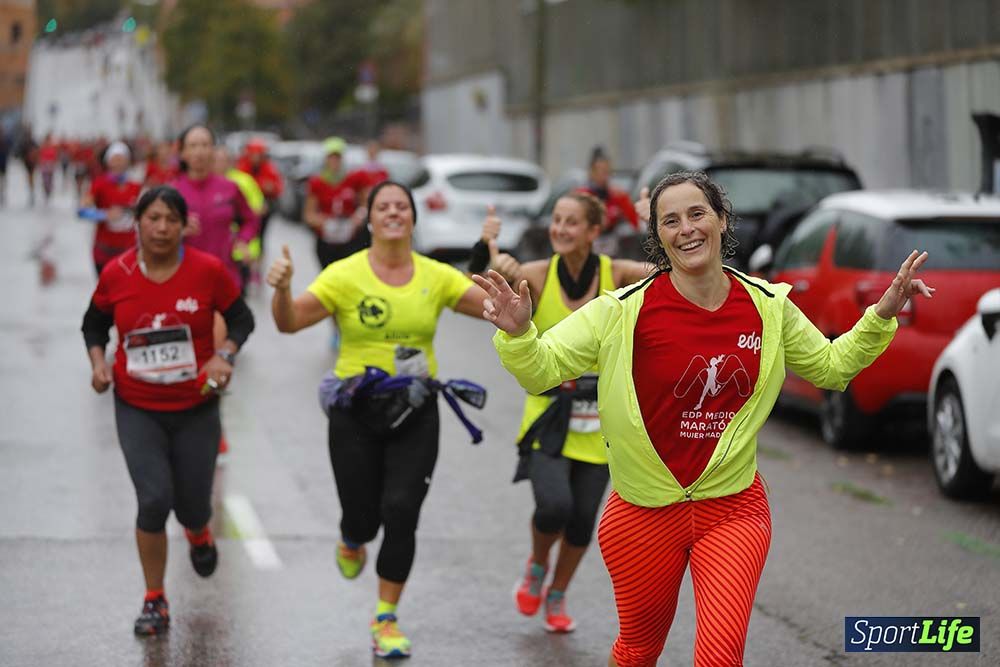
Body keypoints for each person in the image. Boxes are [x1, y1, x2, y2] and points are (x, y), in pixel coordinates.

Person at [473, 171, 935, 667]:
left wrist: (882, 314)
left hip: (733, 512)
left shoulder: (768, 306)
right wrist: (521, 334)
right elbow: (543, 369)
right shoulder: (621, 312)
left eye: (697, 214)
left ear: (721, 220)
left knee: (720, 657)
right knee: (637, 651)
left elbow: (831, 367)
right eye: (670, 220)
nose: (686, 229)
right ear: (658, 237)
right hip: (642, 515)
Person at [267, 180, 489, 659]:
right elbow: (288, 322)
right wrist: (283, 290)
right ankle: (351, 537)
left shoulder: (435, 275)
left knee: (402, 511)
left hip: (416, 407)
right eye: (383, 207)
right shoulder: (344, 274)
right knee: (364, 519)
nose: (393, 213)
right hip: (355, 411)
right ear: (369, 220)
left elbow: (499, 311)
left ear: (412, 219)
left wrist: (504, 276)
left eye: (401, 207)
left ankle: (385, 617)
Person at [469, 192, 652, 634]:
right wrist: (489, 254)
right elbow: (481, 289)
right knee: (554, 506)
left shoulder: (616, 274)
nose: (560, 229)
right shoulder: (535, 274)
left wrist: (652, 226)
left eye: (572, 223)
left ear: (594, 231)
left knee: (582, 522)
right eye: (556, 221)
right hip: (549, 413)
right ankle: (536, 564)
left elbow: (669, 276)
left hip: (600, 421)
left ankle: (558, 591)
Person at [80, 186, 255, 637]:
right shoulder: (117, 274)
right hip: (138, 406)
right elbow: (94, 323)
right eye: (152, 218)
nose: (161, 228)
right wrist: (99, 363)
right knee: (154, 499)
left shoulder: (208, 271)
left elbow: (241, 318)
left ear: (184, 226)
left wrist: (225, 355)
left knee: (194, 506)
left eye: (171, 220)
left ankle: (198, 531)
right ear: (138, 222)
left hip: (196, 406)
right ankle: (154, 598)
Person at [171, 125, 259, 291]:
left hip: (226, 276)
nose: (200, 151)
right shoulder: (172, 191)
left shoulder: (229, 188)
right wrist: (177, 230)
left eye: (205, 145)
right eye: (193, 146)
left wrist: (243, 240)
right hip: (185, 279)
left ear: (213, 150)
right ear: (183, 153)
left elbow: (251, 219)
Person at [303, 136, 369, 270]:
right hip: (327, 241)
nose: (334, 161)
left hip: (351, 239)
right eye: (331, 157)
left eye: (337, 157)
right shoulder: (317, 182)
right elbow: (309, 214)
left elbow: (366, 203)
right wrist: (325, 223)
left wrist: (357, 218)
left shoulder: (355, 178)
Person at [80, 141, 143, 274]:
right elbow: (82, 211)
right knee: (106, 291)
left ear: (128, 161)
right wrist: (104, 215)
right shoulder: (99, 184)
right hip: (104, 251)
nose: (118, 163)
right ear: (108, 161)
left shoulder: (136, 186)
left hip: (129, 251)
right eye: (115, 159)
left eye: (122, 159)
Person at [215, 145, 265, 290]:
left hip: (239, 251)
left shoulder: (242, 182)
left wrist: (237, 231)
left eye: (223, 160)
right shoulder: (204, 183)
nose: (219, 164)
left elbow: (256, 211)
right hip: (216, 252)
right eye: (216, 160)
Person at [236, 138, 283, 254]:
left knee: (260, 236)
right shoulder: (242, 167)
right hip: (244, 208)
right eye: (253, 155)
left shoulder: (269, 168)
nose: (256, 158)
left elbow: (277, 187)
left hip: (264, 209)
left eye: (258, 155)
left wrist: (270, 188)